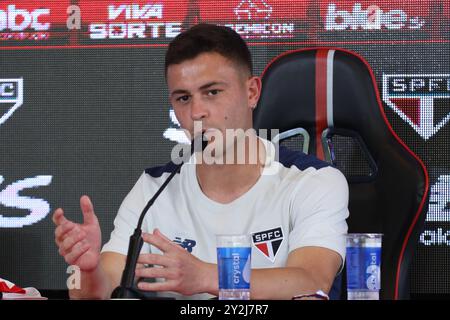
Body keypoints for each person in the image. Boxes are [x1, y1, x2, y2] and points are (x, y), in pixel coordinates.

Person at [53, 23, 349, 300]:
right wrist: (86, 271)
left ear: (252, 92)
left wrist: (206, 276)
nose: (197, 112)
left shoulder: (313, 181)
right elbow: (92, 292)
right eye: (183, 98)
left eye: (212, 92)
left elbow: (313, 281)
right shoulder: (152, 190)